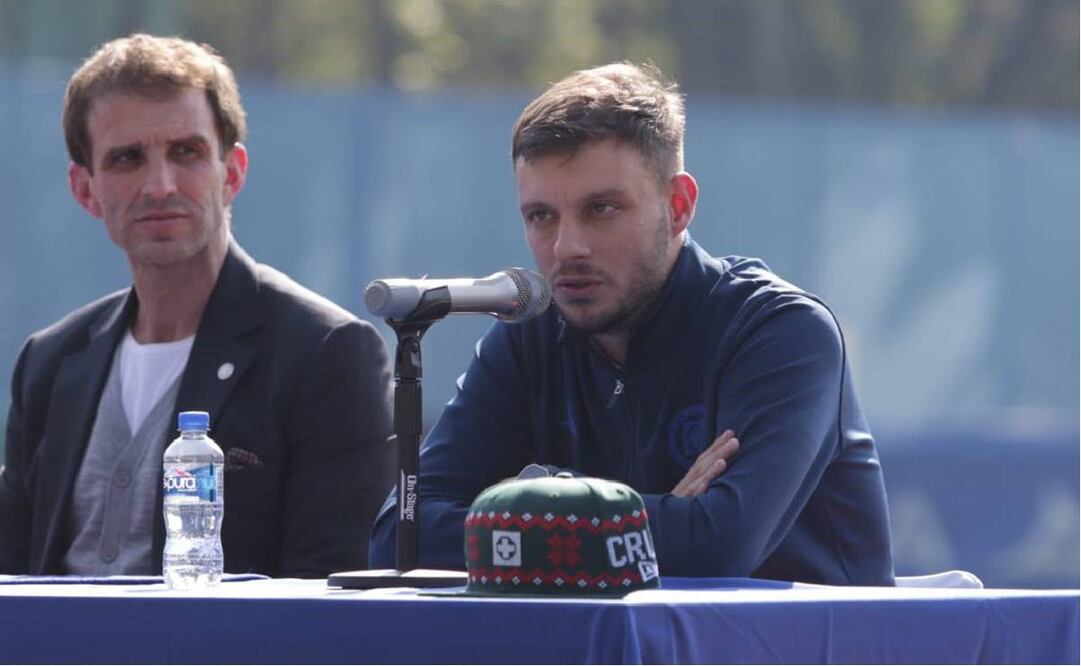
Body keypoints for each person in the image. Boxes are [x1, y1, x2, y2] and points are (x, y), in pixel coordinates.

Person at [370, 63, 894, 584]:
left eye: (601, 209)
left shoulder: (782, 332)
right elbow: (401, 536)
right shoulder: (527, 336)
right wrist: (625, 511)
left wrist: (536, 506)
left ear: (679, 206)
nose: (566, 247)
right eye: (541, 216)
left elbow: (718, 547)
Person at [0, 34, 394, 578]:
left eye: (186, 152)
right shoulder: (49, 362)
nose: (160, 186)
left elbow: (329, 597)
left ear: (231, 172)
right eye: (127, 158)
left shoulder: (326, 353)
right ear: (85, 189)